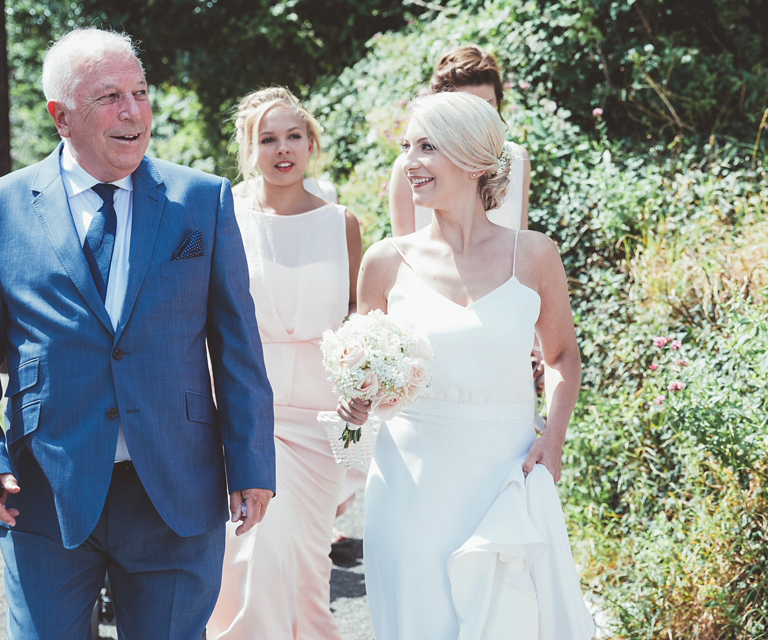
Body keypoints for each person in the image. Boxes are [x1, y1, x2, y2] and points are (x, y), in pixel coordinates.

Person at [0, 28, 276, 639]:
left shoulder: (202, 200)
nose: (133, 112)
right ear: (60, 116)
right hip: (43, 493)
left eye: (140, 93)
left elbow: (237, 345)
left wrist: (252, 462)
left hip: (176, 489)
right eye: (109, 97)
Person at [339, 91, 595, 638]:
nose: (410, 162)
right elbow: (362, 370)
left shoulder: (535, 256)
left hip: (502, 476)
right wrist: (355, 400)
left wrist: (553, 437)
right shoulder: (385, 262)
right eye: (408, 147)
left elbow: (561, 355)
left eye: (427, 147)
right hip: (409, 485)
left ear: (475, 159)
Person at [207, 87, 362, 639]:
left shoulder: (342, 222)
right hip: (250, 406)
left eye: (293, 135)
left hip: (323, 416)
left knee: (309, 563)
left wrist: (364, 371)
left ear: (311, 141)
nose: (282, 149)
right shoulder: (227, 214)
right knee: (255, 553)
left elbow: (356, 313)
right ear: (249, 149)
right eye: (267, 139)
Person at [388, 44, 532, 236]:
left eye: (485, 107)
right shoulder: (409, 168)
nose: (476, 120)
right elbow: (403, 251)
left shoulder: (517, 158)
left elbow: (520, 240)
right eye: (463, 110)